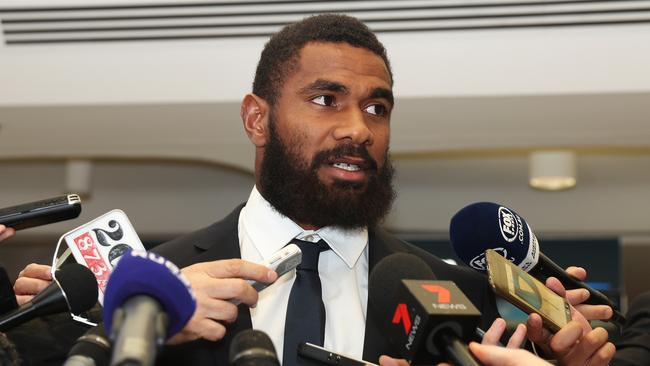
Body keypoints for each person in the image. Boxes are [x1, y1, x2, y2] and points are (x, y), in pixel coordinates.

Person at [13, 14, 615, 366]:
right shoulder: (147, 287)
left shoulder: (462, 301)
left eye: (378, 108)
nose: (359, 129)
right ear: (257, 119)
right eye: (326, 100)